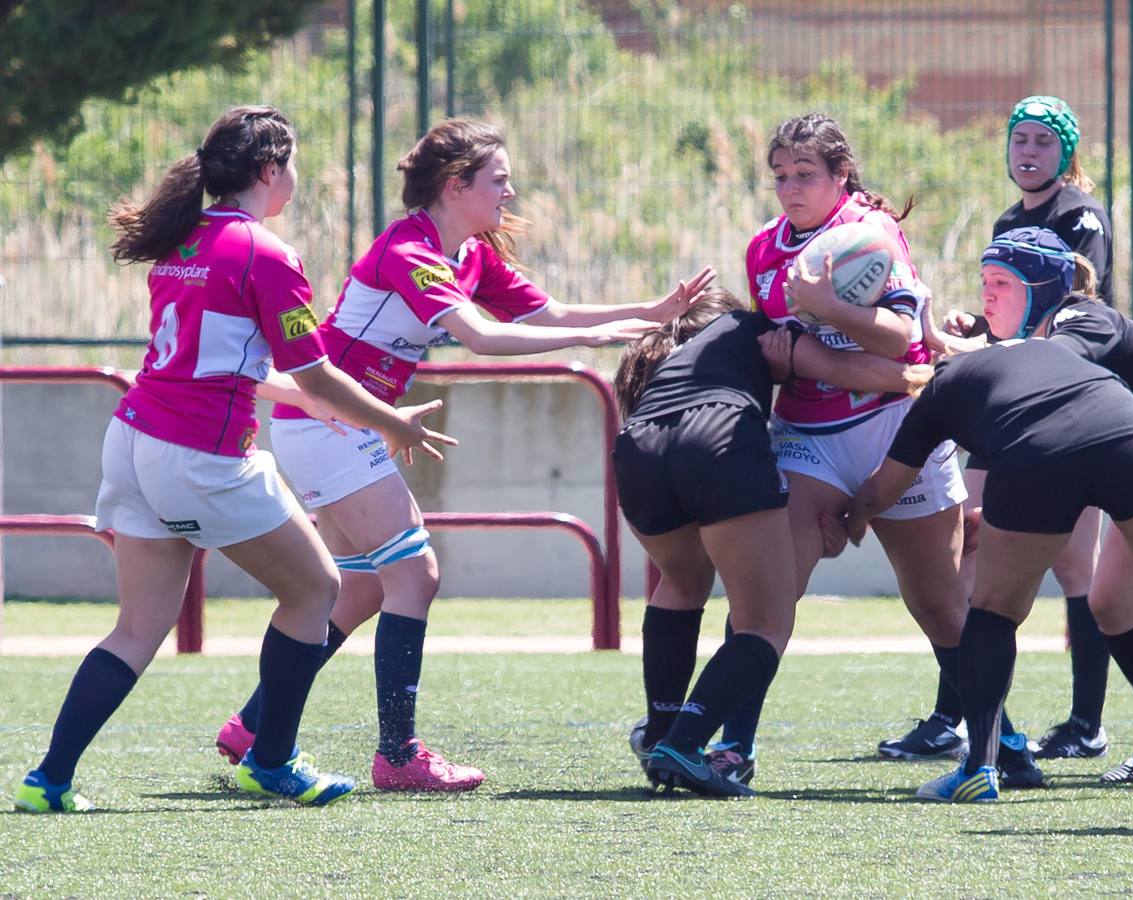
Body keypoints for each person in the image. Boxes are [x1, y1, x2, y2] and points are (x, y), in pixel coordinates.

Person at [214, 119, 680, 792]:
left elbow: (544, 314)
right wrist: (605, 335)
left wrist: (649, 310)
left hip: (341, 427)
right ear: (456, 186)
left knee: (367, 586)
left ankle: (255, 723)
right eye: (498, 179)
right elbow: (482, 339)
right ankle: (398, 756)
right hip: (329, 425)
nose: (510, 191)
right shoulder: (410, 250)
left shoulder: (468, 254)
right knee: (416, 574)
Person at [13, 106, 453, 812]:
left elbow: (226, 364)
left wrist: (322, 407)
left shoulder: (186, 240)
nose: (297, 178)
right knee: (317, 591)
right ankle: (272, 761)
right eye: (294, 164)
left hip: (132, 440)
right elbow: (315, 373)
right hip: (197, 453)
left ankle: (49, 780)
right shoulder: (264, 252)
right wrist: (387, 418)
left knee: (136, 628)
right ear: (270, 170)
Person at [845, 337, 1133, 805]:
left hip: (1039, 451)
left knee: (993, 612)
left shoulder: (941, 387)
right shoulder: (1040, 350)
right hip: (1125, 427)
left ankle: (980, 768)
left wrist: (848, 520)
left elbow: (882, 490)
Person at [698, 112, 969, 788]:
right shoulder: (764, 247)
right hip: (808, 439)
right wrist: (786, 356)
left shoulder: (872, 235)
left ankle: (994, 736)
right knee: (767, 596)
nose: (790, 188)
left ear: (840, 174)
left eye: (806, 175)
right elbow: (779, 350)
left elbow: (903, 339)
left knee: (938, 605)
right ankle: (735, 746)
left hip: (894, 430)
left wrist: (829, 307)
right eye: (781, 177)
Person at [941, 228, 1133, 790]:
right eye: (983, 283)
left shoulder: (1083, 319)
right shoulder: (1037, 332)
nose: (986, 297)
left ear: (1042, 288)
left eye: (1001, 283)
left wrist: (943, 346)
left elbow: (1043, 365)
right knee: (1110, 602)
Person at [615, 288, 931, 797]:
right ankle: (684, 745)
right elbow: (845, 370)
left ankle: (659, 732)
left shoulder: (681, 354)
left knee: (680, 582)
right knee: (766, 619)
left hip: (638, 441)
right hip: (716, 434)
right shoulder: (758, 326)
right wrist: (930, 375)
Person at [884, 96, 1115, 770]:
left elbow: (1075, 310)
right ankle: (954, 716)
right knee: (967, 553)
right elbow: (1015, 316)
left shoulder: (1080, 216)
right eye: (1020, 140)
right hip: (1008, 400)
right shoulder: (1012, 218)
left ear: (1066, 154)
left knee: (1080, 571)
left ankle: (1087, 722)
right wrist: (977, 330)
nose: (1029, 152)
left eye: (1044, 142)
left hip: (1062, 401)